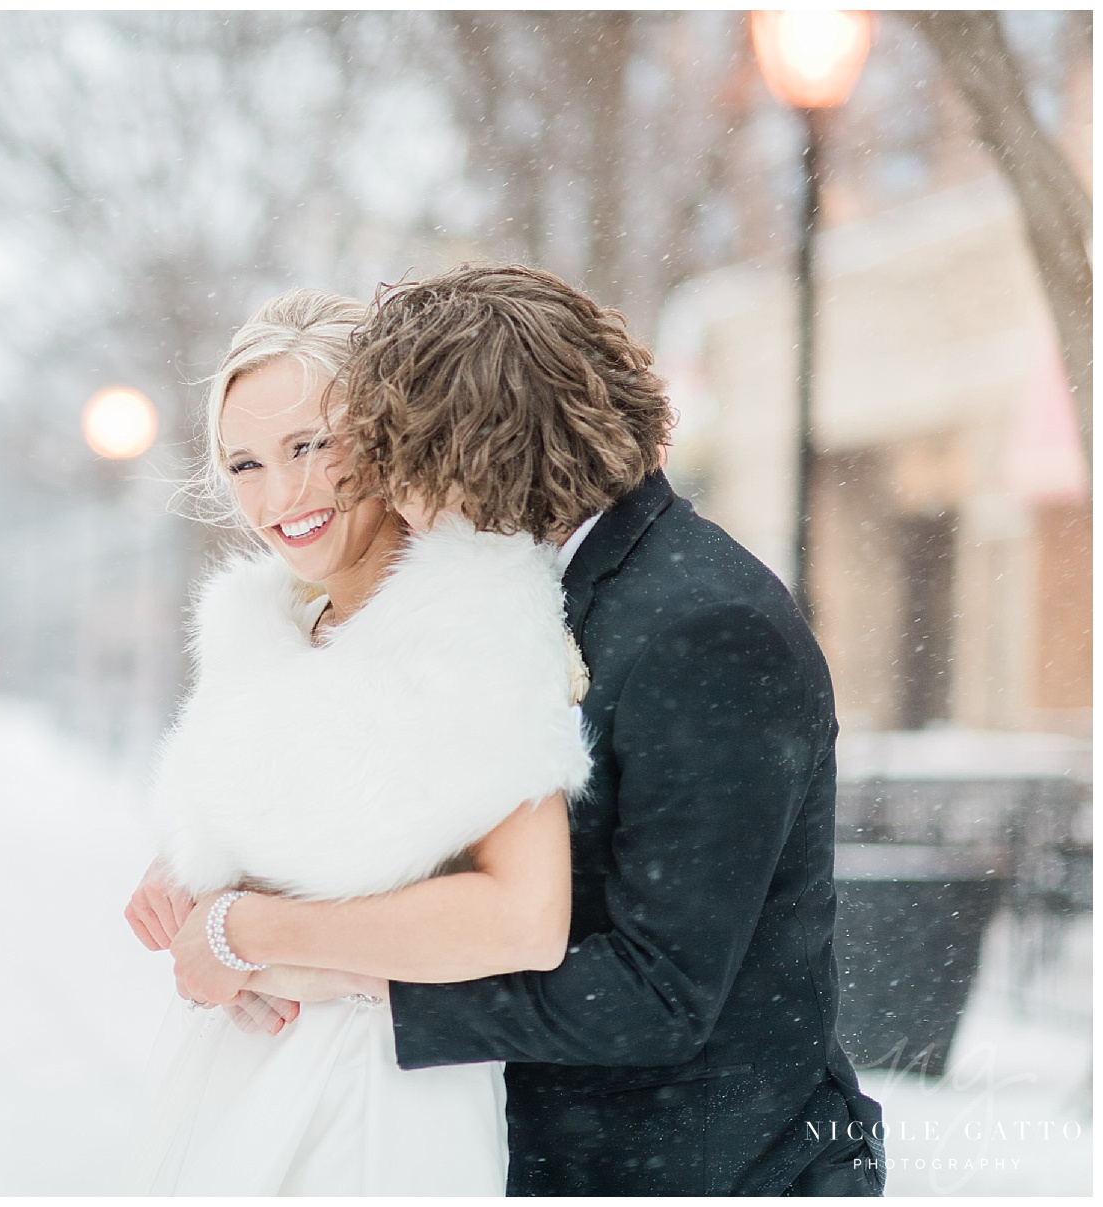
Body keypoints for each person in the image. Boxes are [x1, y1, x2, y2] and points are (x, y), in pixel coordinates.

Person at [212, 263, 885, 1196]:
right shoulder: (545, 588)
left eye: (388, 449)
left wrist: (359, 982)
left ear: (463, 449)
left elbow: (661, 993)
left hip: (700, 1163)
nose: (380, 486)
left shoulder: (702, 627)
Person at [122, 287, 592, 1195]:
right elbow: (303, 810)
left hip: (382, 1095)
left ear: (383, 432)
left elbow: (525, 919)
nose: (281, 495)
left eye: (310, 446)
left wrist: (244, 929)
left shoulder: (476, 618)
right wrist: (186, 867)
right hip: (240, 1076)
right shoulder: (268, 628)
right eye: (247, 463)